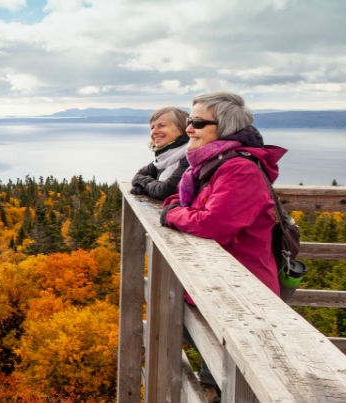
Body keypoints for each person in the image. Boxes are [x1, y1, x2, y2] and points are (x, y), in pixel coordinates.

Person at [159, 91, 287, 402]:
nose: (189, 128)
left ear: (226, 127)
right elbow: (180, 200)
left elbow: (214, 224)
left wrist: (173, 215)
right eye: (190, 121)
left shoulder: (238, 170)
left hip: (243, 294)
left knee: (233, 382)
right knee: (216, 374)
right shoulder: (210, 166)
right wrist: (177, 209)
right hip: (219, 289)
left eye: (199, 122)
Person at [130, 107, 190, 199]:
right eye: (152, 127)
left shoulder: (189, 156)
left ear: (182, 128)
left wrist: (144, 186)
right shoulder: (163, 158)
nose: (154, 132)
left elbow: (166, 190)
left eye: (161, 125)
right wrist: (151, 185)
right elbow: (137, 177)